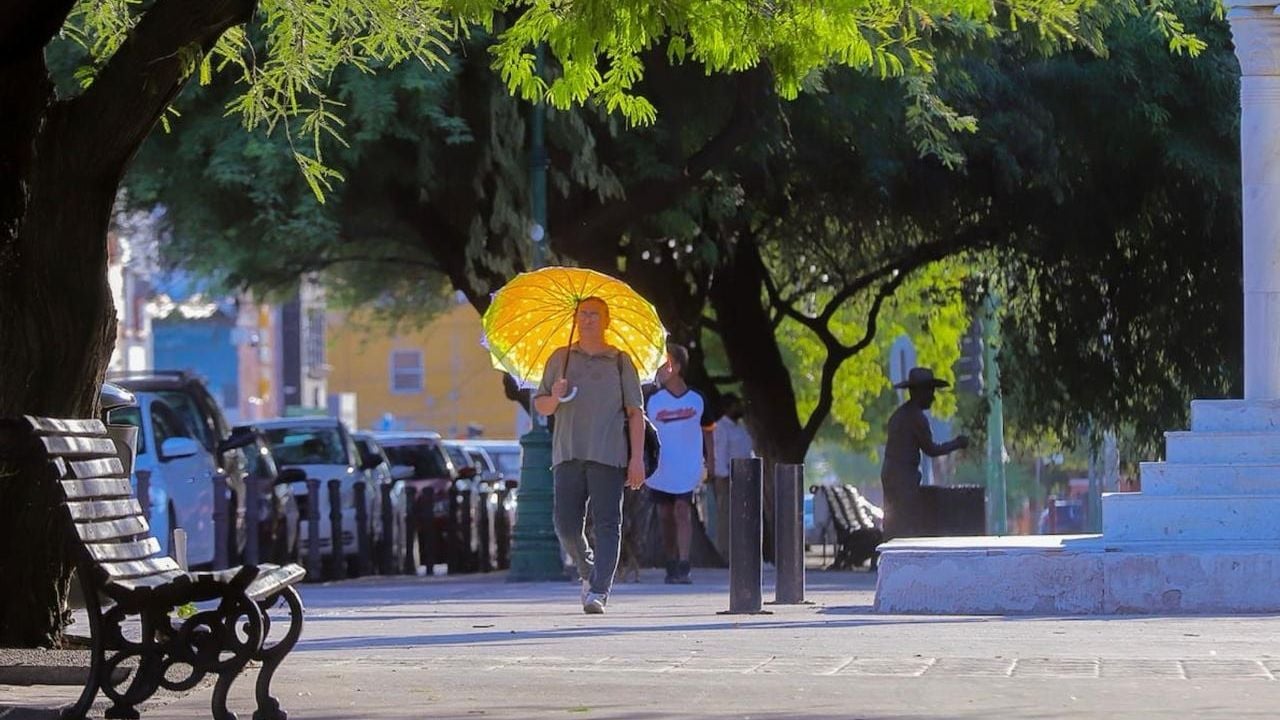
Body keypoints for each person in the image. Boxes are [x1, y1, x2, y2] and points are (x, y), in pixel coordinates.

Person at [534, 297, 646, 614]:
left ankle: (599, 591)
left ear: (606, 321)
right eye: (582, 314)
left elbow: (635, 413)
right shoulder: (560, 359)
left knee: (608, 524)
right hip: (567, 452)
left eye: (594, 314)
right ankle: (587, 568)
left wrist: (636, 458)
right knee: (566, 525)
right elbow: (541, 406)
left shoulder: (620, 361)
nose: (587, 320)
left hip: (609, 454)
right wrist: (554, 397)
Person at [644, 343, 712, 583]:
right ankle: (670, 560)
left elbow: (708, 432)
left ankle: (684, 564)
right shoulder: (652, 400)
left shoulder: (697, 399)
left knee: (682, 511)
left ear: (678, 366)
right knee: (664, 515)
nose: (661, 369)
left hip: (687, 467)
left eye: (665, 364)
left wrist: (710, 463)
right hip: (660, 469)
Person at [880, 367, 970, 541]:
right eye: (929, 391)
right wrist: (957, 443)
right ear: (918, 392)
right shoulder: (915, 418)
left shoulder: (900, 415)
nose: (933, 396)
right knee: (903, 523)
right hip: (902, 477)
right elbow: (931, 450)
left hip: (893, 473)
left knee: (894, 521)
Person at [708, 393, 753, 559]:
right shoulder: (720, 428)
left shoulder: (740, 428)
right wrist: (725, 476)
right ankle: (725, 554)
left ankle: (743, 553)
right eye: (736, 405)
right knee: (725, 516)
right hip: (728, 478)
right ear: (728, 408)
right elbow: (719, 454)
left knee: (743, 516)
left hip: (745, 477)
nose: (740, 408)